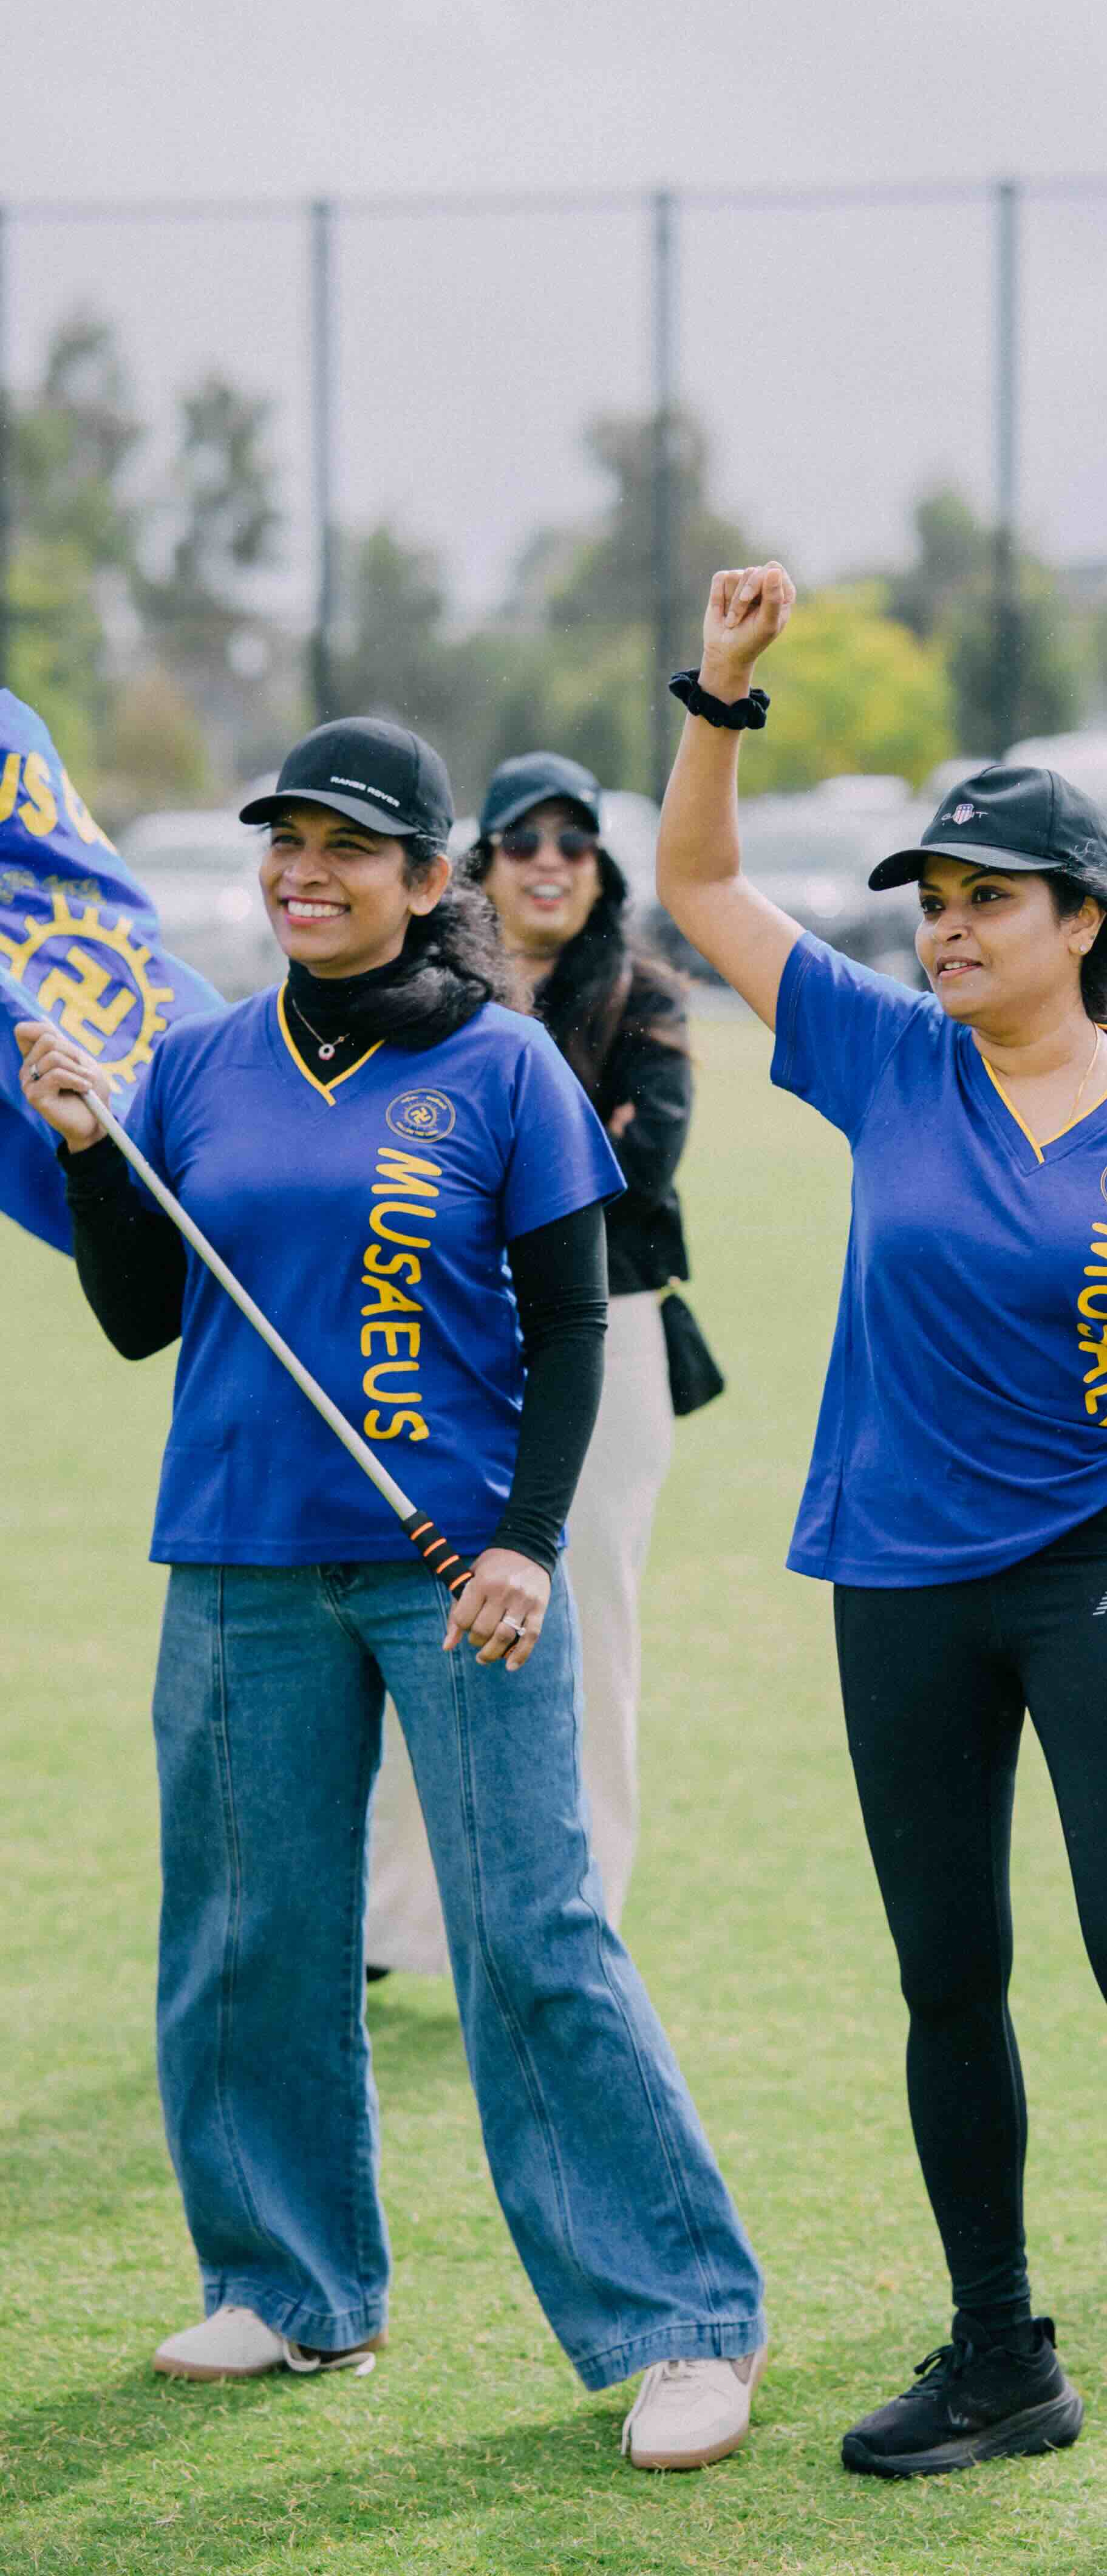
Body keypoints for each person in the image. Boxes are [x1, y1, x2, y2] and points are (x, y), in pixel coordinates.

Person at [654, 562, 1107, 2515]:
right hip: (901, 1579)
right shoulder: (886, 1055)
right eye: (933, 907)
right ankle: (998, 2356)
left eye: (986, 904)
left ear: (1086, 924)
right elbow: (702, 889)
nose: (948, 932)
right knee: (947, 1972)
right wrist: (720, 698)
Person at [14, 715, 765, 2472]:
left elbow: (576, 1324)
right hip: (238, 1556)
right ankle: (290, 2283)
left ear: (429, 882)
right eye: (284, 840)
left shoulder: (508, 1065)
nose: (304, 870)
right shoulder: (196, 1065)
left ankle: (680, 2326)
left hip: (461, 1570)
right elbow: (143, 1316)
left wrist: (526, 1538)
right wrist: (78, 1146)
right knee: (247, 1935)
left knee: (534, 1932)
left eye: (347, 846)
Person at [367, 749, 691, 1964]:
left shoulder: (640, 996)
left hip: (607, 1337)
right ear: (476, 863)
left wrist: (500, 1151)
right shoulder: (418, 998)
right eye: (523, 840)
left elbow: (637, 1181)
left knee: (587, 1625)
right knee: (411, 1608)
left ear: (600, 867)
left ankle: (583, 1903)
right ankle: (396, 1916)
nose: (549, 862)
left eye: (574, 840)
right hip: (444, 1341)